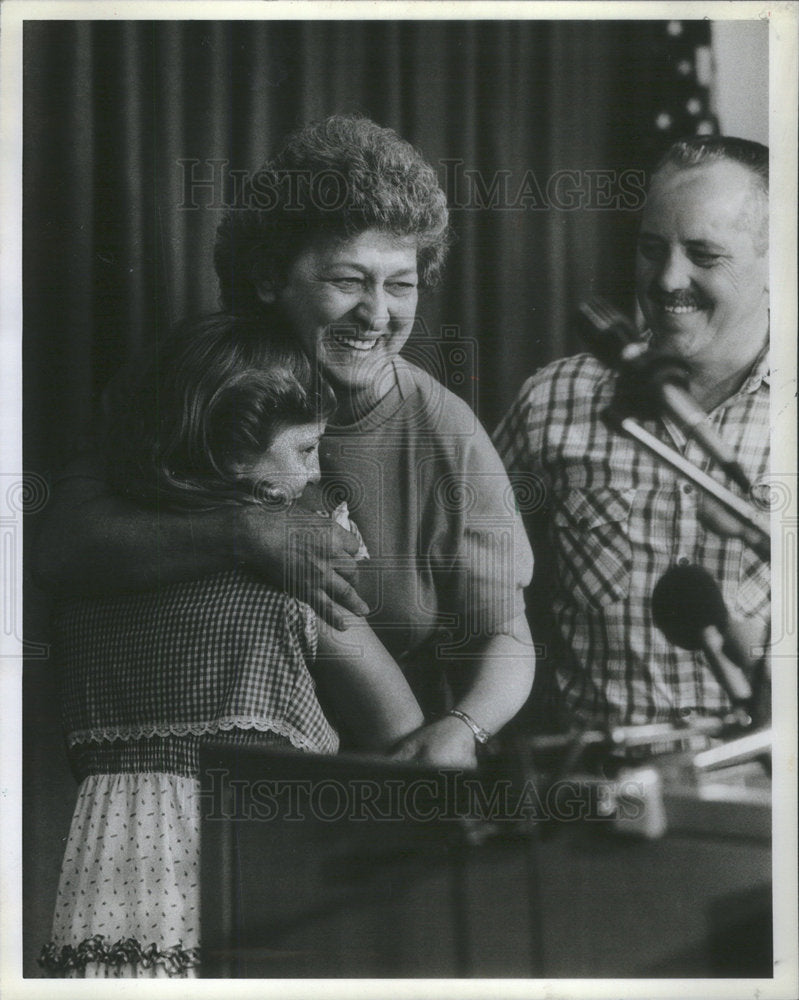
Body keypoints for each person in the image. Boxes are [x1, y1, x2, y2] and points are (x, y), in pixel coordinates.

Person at [34, 114, 535, 769]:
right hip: (184, 769)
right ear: (270, 277)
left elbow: (506, 635)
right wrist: (244, 532)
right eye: (348, 281)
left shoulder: (444, 430)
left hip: (380, 770)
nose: (378, 315)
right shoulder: (194, 381)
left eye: (400, 285)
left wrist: (463, 726)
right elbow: (62, 548)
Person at [39, 312, 425, 978]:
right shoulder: (286, 578)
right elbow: (401, 726)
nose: (312, 475)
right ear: (229, 453)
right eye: (304, 451)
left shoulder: (88, 580)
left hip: (111, 875)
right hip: (255, 860)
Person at [494, 136, 770, 729]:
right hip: (591, 784)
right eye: (652, 249)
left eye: (704, 254)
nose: (668, 279)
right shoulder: (555, 399)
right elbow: (470, 577)